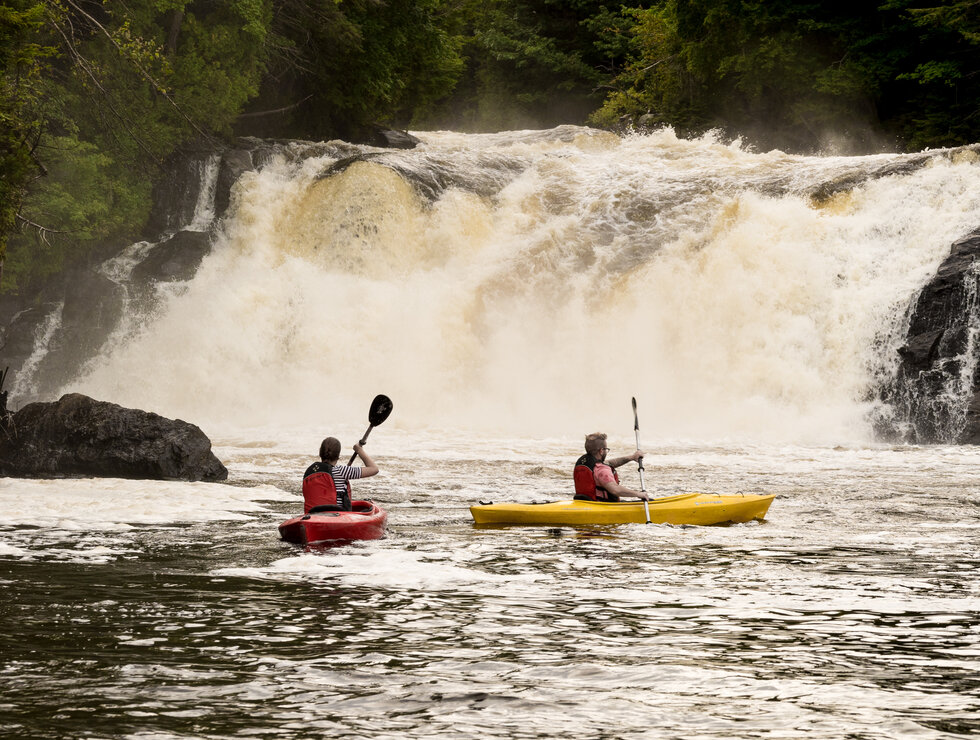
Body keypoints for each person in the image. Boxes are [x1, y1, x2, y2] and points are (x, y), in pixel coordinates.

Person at [303, 437, 379, 514]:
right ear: (338, 455)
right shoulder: (342, 471)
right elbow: (374, 469)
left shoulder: (309, 472)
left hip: (312, 515)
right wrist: (359, 450)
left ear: (320, 453)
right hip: (337, 515)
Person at [573, 432, 648, 502]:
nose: (606, 451)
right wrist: (639, 494)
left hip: (585, 502)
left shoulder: (585, 462)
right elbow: (615, 490)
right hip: (602, 505)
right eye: (606, 449)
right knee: (649, 500)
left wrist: (632, 457)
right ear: (601, 451)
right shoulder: (602, 469)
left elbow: (610, 463)